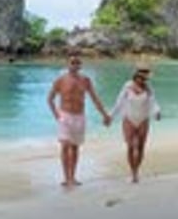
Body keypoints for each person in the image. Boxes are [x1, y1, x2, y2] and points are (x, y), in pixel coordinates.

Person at [47, 52, 111, 188]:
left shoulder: (85, 80)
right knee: (65, 146)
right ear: (68, 64)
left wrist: (105, 115)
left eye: (77, 62)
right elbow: (50, 99)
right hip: (65, 116)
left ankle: (73, 177)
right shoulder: (61, 80)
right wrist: (56, 115)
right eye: (72, 62)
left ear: (80, 65)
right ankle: (66, 178)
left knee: (75, 147)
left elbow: (95, 98)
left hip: (79, 116)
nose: (75, 65)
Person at [110, 63, 161, 183]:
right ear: (136, 76)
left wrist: (157, 112)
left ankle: (136, 172)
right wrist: (110, 116)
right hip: (129, 119)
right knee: (131, 146)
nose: (143, 79)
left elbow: (153, 103)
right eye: (141, 76)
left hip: (143, 119)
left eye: (145, 77)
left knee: (141, 147)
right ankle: (132, 171)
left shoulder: (148, 89)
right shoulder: (127, 86)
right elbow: (119, 102)